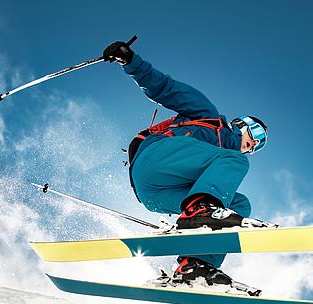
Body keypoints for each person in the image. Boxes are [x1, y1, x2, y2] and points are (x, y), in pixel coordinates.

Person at [103, 39, 273, 290]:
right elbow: (166, 88)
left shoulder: (218, 164)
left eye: (259, 146)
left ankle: (194, 266)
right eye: (256, 134)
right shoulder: (209, 117)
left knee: (239, 204)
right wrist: (130, 61)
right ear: (241, 124)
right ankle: (200, 211)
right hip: (155, 160)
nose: (254, 144)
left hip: (154, 196)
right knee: (234, 161)